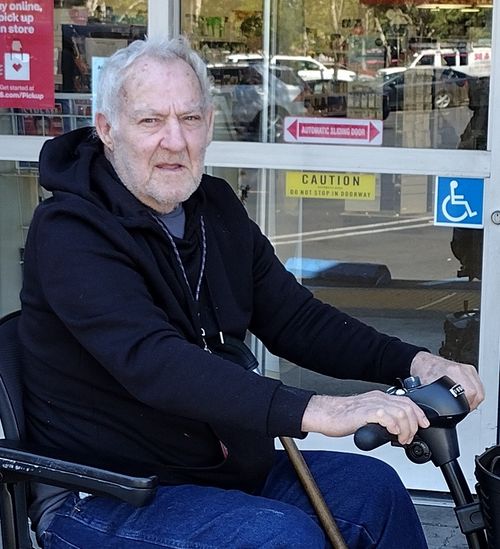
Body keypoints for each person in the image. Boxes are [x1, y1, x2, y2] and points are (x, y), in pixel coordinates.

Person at [19, 35, 484, 549]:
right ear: (108, 129)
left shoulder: (213, 206)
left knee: (372, 490)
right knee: (279, 539)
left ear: (210, 126)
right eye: (150, 121)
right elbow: (155, 362)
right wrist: (322, 410)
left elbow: (296, 319)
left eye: (190, 119)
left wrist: (416, 363)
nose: (174, 141)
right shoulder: (69, 230)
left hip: (216, 467)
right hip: (107, 490)